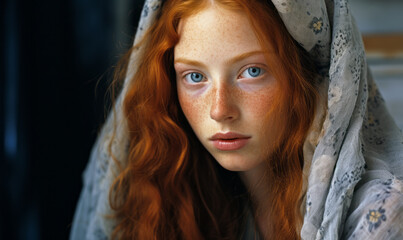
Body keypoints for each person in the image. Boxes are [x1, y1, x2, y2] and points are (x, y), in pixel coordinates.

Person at [70, 0, 403, 239]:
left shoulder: (381, 215)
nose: (219, 109)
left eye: (251, 71)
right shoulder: (183, 195)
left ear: (306, 76)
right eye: (194, 77)